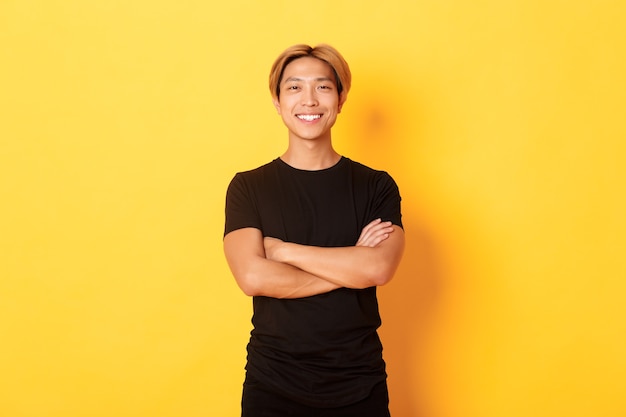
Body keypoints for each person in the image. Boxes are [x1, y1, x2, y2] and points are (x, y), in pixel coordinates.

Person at [223, 43, 405, 417]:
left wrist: (285, 251)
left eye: (323, 87)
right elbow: (253, 277)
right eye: (294, 87)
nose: (309, 100)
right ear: (276, 100)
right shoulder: (248, 187)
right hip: (272, 383)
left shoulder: (377, 186)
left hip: (359, 381)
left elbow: (378, 269)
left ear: (340, 99)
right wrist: (350, 266)